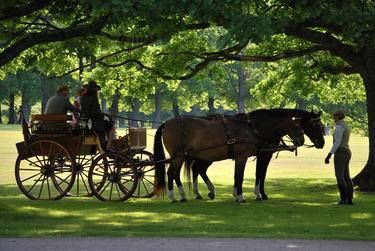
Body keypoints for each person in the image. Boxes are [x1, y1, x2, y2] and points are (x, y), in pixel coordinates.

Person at [324, 109, 354, 205]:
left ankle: (343, 199)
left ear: (337, 116)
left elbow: (337, 143)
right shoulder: (346, 126)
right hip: (347, 151)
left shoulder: (339, 127)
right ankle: (350, 199)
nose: (333, 118)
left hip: (341, 152)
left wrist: (329, 155)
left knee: (340, 176)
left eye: (334, 116)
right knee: (347, 177)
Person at [80, 80, 115, 151]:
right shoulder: (94, 97)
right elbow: (96, 111)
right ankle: (108, 146)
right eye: (96, 89)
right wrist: (105, 114)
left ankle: (107, 145)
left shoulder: (82, 98)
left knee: (107, 125)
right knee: (112, 127)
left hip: (86, 123)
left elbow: (86, 110)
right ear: (94, 89)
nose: (97, 90)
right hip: (96, 123)